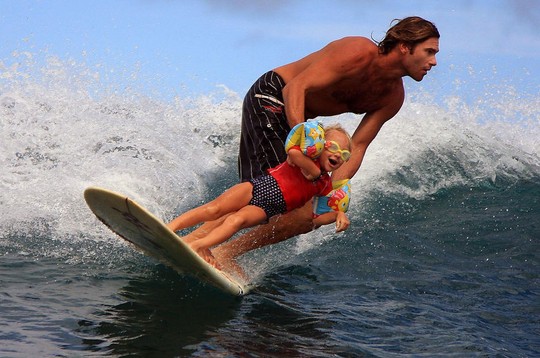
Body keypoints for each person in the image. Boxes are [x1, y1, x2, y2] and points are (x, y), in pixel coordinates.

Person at [185, 16, 440, 272]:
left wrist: (333, 188)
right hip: (272, 96)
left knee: (309, 215)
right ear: (405, 46)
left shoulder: (392, 98)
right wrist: (301, 139)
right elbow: (296, 87)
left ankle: (225, 252)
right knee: (272, 189)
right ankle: (195, 241)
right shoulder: (357, 52)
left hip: (299, 124)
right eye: (429, 52)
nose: (433, 62)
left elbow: (358, 145)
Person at [168, 123, 353, 267]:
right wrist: (311, 161)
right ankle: (170, 228)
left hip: (267, 208)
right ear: (320, 144)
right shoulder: (301, 157)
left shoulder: (325, 185)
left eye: (344, 154)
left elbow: (315, 218)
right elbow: (292, 152)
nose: (338, 155)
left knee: (235, 221)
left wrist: (338, 214)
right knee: (213, 209)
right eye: (333, 147)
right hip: (256, 187)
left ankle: (200, 246)